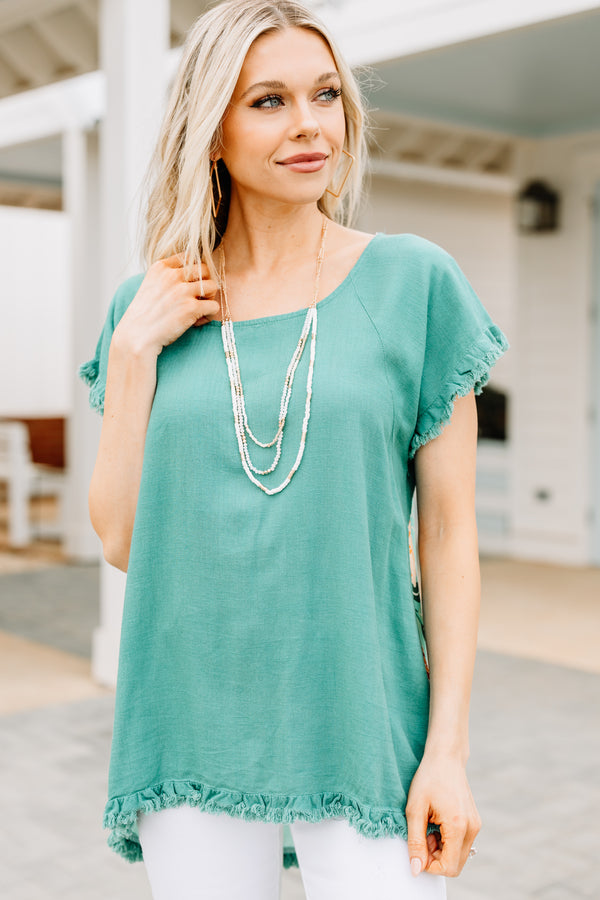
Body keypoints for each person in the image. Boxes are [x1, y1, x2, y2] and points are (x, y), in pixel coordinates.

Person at [79, 1, 509, 898]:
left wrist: (449, 752)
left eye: (326, 95)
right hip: (188, 719)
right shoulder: (148, 309)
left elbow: (449, 540)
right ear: (212, 132)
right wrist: (131, 356)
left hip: (367, 719)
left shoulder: (414, 282)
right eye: (268, 101)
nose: (311, 125)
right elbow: (124, 542)